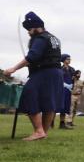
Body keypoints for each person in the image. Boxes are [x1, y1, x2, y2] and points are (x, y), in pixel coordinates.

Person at [2, 12, 64, 141]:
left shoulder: (40, 39)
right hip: (56, 72)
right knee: (49, 102)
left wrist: (13, 68)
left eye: (29, 29)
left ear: (36, 27)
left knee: (27, 95)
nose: (28, 32)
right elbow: (47, 57)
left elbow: (32, 56)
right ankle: (43, 133)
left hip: (44, 73)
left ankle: (38, 131)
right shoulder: (54, 38)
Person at [58, 54, 75, 129]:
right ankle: (56, 122)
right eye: (68, 59)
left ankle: (64, 123)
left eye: (70, 59)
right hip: (61, 89)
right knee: (61, 106)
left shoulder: (72, 69)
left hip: (69, 90)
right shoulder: (60, 69)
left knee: (66, 107)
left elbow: (74, 79)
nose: (69, 60)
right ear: (63, 60)